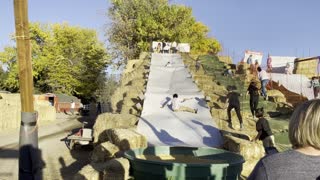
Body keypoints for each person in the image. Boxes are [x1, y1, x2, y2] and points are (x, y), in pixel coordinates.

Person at [248, 99, 320, 180]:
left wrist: (256, 139)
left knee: (268, 150)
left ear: (295, 125)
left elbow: (261, 131)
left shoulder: (269, 166)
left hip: (267, 139)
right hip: (270, 136)